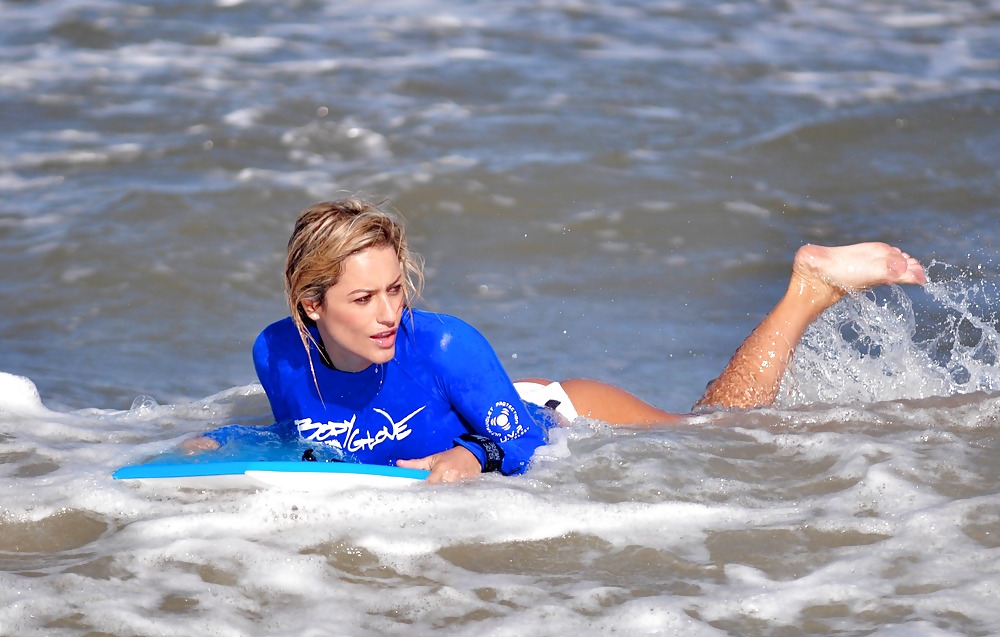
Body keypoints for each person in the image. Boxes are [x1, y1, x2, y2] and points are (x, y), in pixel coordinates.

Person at [189, 198, 926, 483]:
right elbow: (311, 439)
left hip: (554, 410)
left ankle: (808, 288)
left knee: (724, 434)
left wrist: (468, 455)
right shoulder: (277, 353)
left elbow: (527, 444)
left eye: (394, 288)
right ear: (309, 307)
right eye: (363, 298)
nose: (389, 312)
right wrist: (226, 444)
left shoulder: (445, 346)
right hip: (484, 413)